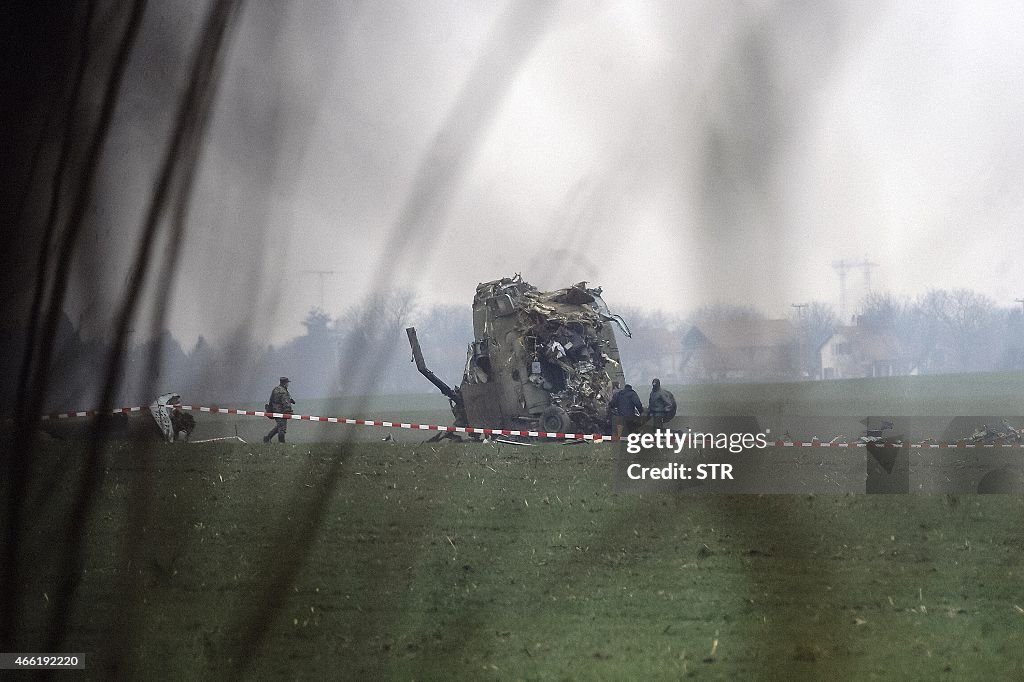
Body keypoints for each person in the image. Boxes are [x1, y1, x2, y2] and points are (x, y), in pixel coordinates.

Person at [264, 376, 295, 443]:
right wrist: (289, 411)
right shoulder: (283, 391)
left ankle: (267, 438)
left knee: (279, 426)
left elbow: (272, 400)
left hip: (275, 411)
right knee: (282, 428)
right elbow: (285, 403)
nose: (288, 384)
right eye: (287, 383)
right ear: (285, 383)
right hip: (282, 412)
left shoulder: (275, 389)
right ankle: (281, 443)